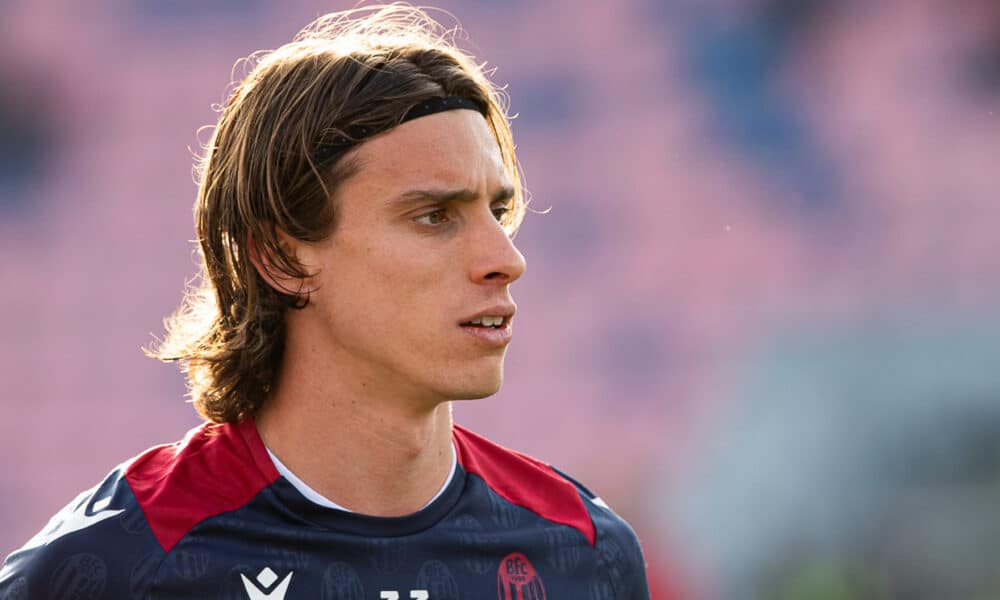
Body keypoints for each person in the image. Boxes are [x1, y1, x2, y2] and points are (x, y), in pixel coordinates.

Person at [0, 5, 650, 598]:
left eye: (498, 212)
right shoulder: (110, 568)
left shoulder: (583, 552)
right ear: (280, 257)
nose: (506, 258)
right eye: (434, 216)